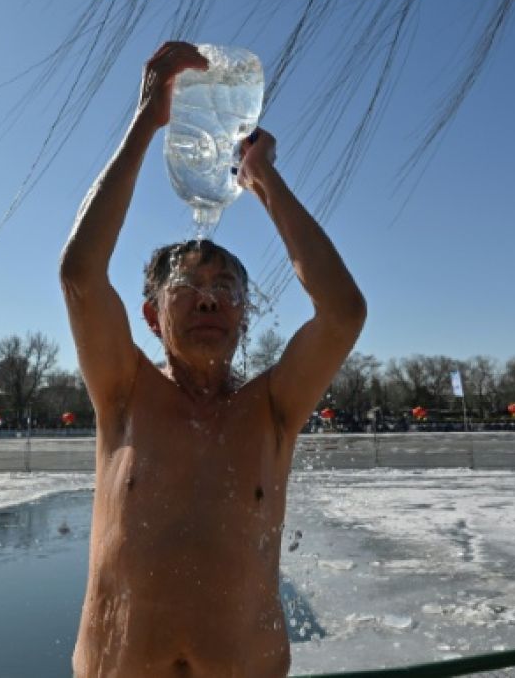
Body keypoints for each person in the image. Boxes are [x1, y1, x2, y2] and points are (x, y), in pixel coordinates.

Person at [60, 41, 366, 677]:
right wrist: (148, 120)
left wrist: (263, 179)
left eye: (226, 290)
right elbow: (82, 274)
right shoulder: (124, 395)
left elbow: (342, 312)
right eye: (188, 287)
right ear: (152, 316)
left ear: (244, 315)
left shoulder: (273, 412)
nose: (210, 301)